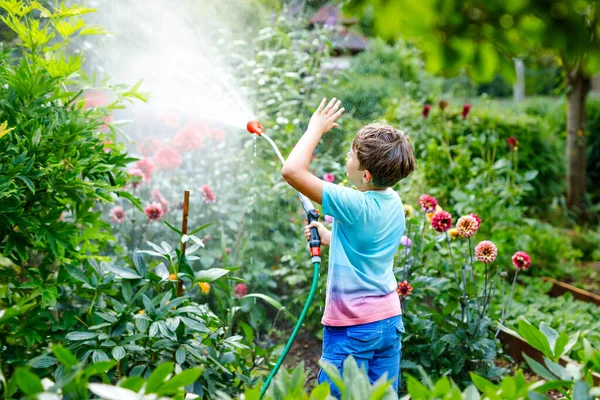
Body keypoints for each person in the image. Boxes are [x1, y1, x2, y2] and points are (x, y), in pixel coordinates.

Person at [281, 98, 416, 398]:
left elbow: (291, 171)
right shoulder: (393, 202)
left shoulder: (354, 203)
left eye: (352, 156)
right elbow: (369, 246)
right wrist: (331, 237)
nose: (347, 157)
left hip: (354, 326)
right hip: (388, 322)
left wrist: (314, 128)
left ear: (365, 175)